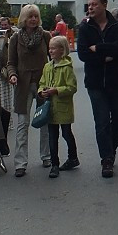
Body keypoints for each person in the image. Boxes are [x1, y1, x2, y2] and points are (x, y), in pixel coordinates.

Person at [77, 0, 118, 178]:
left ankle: (110, 150)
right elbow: (83, 54)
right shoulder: (85, 28)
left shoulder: (117, 26)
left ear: (104, 5)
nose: (90, 7)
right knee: (102, 122)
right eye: (89, 5)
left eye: (94, 4)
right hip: (95, 82)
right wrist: (105, 56)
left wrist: (98, 48)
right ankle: (106, 160)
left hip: (116, 79)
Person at [5, 4, 52, 177]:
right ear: (24, 18)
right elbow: (11, 62)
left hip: (42, 84)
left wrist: (52, 79)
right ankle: (20, 163)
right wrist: (12, 75)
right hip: (22, 86)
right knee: (22, 125)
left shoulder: (46, 36)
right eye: (30, 16)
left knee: (44, 122)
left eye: (36, 16)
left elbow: (53, 58)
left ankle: (46, 156)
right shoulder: (16, 38)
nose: (33, 19)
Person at [38, 35, 79, 177]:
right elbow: (42, 83)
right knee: (52, 136)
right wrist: (41, 92)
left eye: (53, 48)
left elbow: (72, 87)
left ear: (62, 50)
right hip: (50, 108)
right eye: (49, 48)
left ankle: (73, 157)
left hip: (63, 107)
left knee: (66, 133)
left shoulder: (67, 67)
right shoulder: (47, 67)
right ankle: (54, 164)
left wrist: (57, 90)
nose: (50, 51)